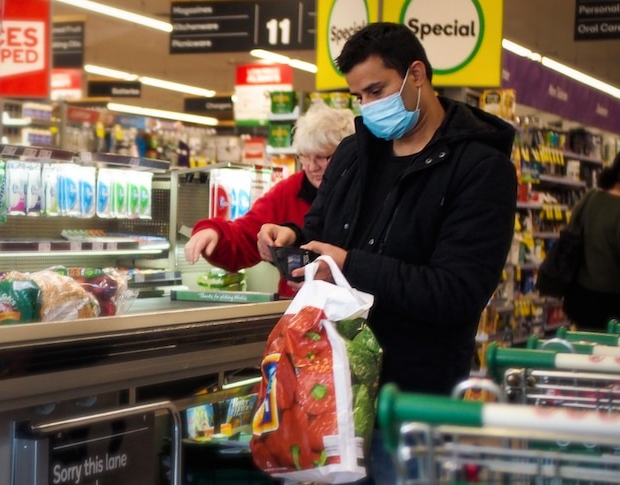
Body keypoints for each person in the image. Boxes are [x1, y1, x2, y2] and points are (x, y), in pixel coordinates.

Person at [256, 22, 517, 483]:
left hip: (412, 405)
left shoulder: (481, 169)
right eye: (358, 96)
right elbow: (319, 231)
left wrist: (351, 264)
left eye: (377, 90)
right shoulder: (356, 154)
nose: (369, 106)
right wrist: (291, 240)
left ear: (416, 74)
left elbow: (458, 292)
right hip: (330, 393)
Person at [184, 102, 355, 297]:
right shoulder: (288, 191)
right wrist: (214, 232)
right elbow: (245, 236)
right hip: (295, 314)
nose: (311, 166)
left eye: (322, 157)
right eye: (305, 157)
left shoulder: (368, 193)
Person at [562, 152, 620, 331]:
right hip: (612, 303)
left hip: (579, 297)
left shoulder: (589, 198)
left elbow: (570, 233)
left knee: (585, 351)